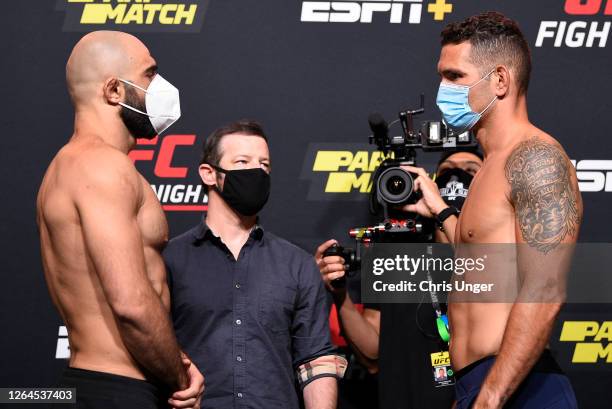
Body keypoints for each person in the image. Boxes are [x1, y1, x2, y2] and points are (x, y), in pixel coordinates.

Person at [404, 12, 583, 408]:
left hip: (519, 388)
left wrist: (489, 399)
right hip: (479, 385)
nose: (441, 89)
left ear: (500, 80)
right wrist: (441, 212)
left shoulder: (536, 159)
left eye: (454, 77)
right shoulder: (490, 166)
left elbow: (545, 290)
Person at [37, 31, 204, 409]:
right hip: (119, 389)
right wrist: (180, 381)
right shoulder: (102, 167)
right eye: (150, 75)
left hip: (95, 383)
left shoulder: (64, 168)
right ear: (114, 90)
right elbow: (130, 302)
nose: (161, 87)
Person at [164, 120, 347, 409]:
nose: (257, 172)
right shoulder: (170, 260)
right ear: (209, 174)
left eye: (264, 165)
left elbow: (316, 359)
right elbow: (151, 344)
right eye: (242, 161)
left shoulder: (297, 263)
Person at [316, 149, 483, 409]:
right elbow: (371, 354)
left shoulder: (500, 250)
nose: (455, 179)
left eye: (470, 171)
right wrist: (341, 296)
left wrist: (443, 212)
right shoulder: (395, 246)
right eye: (446, 171)